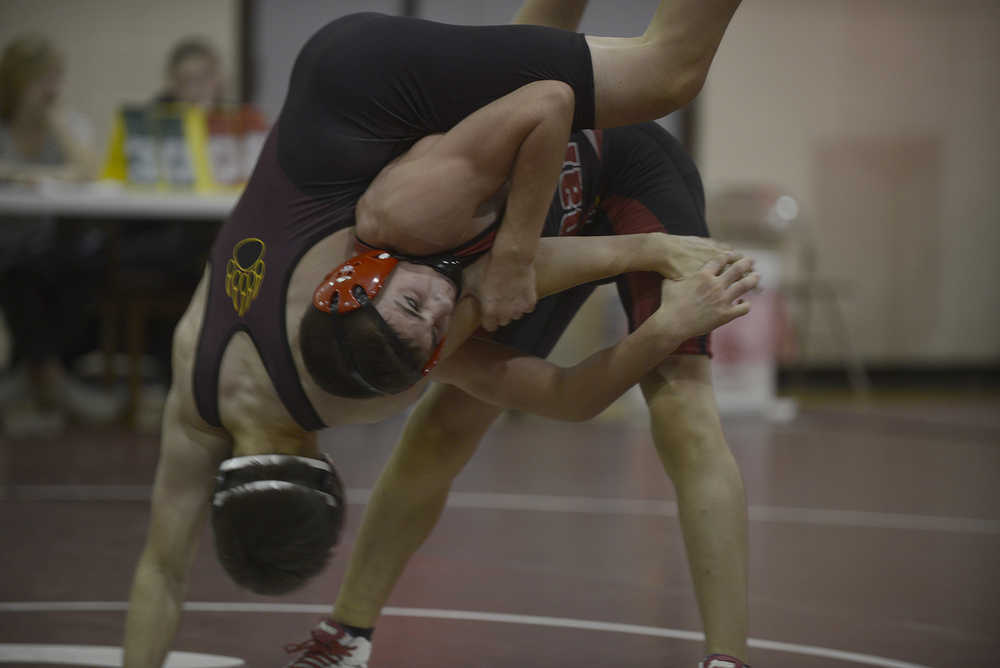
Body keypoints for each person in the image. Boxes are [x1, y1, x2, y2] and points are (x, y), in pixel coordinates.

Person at [123, 1, 755, 666]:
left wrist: (647, 252)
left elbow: (502, 275)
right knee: (446, 422)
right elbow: (158, 573)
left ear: (331, 474)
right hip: (470, 186)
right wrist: (655, 313)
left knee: (666, 78)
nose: (430, 316)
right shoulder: (197, 385)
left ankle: (728, 659)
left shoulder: (365, 358)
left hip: (567, 173)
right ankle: (347, 635)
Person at [0, 34, 117, 436]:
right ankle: (51, 380)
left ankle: (34, 375)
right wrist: (45, 175)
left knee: (81, 262)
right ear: (15, 82)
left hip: (49, 242)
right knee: (21, 268)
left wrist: (53, 120)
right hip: (7, 241)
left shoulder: (66, 123)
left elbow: (88, 171)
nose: (51, 88)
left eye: (55, 78)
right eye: (41, 79)